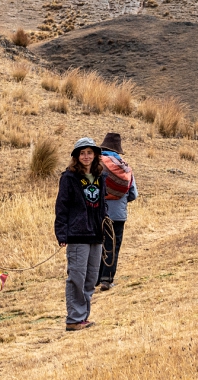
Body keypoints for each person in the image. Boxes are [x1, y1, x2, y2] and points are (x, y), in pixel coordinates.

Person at [54, 137, 107, 331]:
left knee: (91, 278)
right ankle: (74, 319)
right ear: (77, 156)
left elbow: (102, 204)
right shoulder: (69, 177)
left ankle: (82, 316)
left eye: (89, 153)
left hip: (96, 234)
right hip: (77, 234)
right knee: (77, 276)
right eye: (82, 153)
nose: (86, 156)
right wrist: (61, 233)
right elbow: (61, 206)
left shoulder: (100, 176)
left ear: (95, 156)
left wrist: (104, 223)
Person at [97, 132, 138, 291]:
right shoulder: (125, 167)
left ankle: (94, 278)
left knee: (98, 245)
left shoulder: (96, 165)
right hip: (118, 215)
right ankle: (107, 280)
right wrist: (120, 199)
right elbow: (133, 194)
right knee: (113, 246)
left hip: (99, 213)